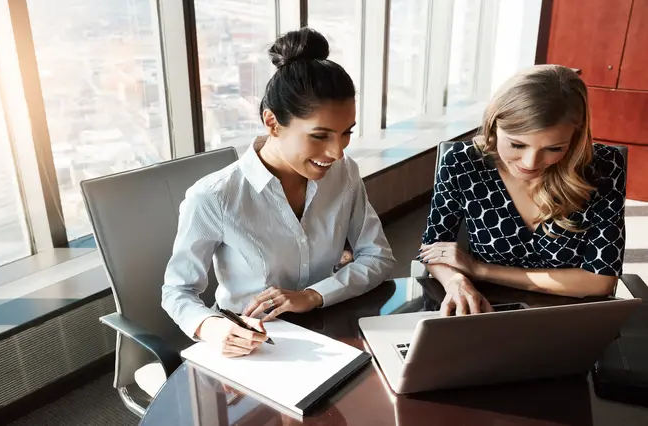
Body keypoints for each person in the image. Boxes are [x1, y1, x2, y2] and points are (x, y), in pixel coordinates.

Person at [162, 27, 396, 357]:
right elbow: (178, 290)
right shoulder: (215, 197)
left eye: (346, 134)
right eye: (320, 136)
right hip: (255, 343)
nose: (337, 152)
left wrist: (313, 295)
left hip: (330, 326)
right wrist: (212, 327)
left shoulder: (344, 174)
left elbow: (378, 256)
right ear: (272, 122)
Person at [418, 64, 626, 316]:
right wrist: (455, 280)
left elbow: (600, 282)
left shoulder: (604, 167)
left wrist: (480, 270)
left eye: (554, 148)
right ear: (494, 125)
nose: (530, 163)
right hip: (483, 311)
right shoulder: (462, 162)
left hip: (570, 317)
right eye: (517, 144)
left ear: (575, 137)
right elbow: (434, 248)